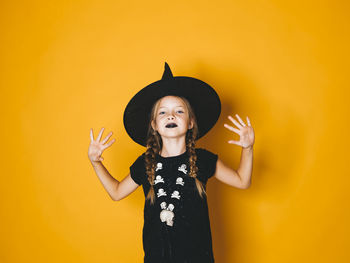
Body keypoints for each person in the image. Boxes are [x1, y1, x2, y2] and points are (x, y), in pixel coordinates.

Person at [88, 62, 255, 263]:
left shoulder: (203, 159)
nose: (171, 115)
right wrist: (96, 162)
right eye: (163, 112)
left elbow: (242, 180)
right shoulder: (145, 164)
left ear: (191, 122)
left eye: (179, 111)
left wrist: (247, 148)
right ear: (154, 125)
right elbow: (116, 192)